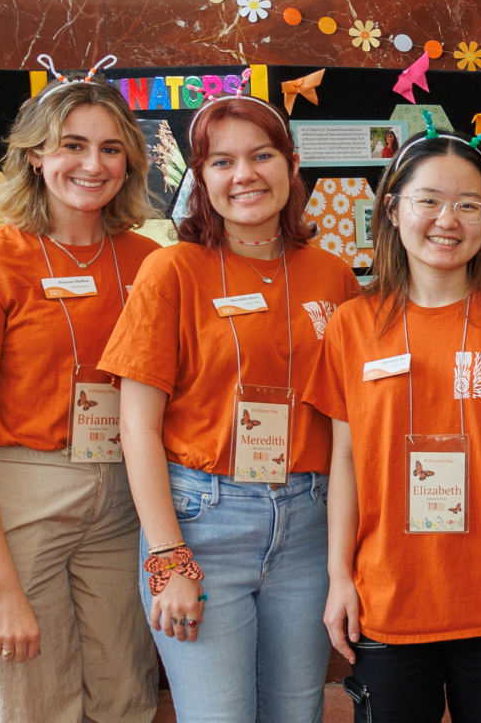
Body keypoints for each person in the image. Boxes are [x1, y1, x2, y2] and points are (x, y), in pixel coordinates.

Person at [99, 95, 360, 721]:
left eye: (261, 155)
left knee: (297, 712)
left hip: (308, 524)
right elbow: (137, 427)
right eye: (222, 161)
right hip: (203, 524)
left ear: (292, 165)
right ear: (202, 178)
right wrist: (167, 555)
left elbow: (351, 421)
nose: (244, 174)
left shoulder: (333, 275)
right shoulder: (174, 272)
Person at [310, 129, 481, 722]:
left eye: (469, 205)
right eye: (428, 200)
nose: (447, 220)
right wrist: (339, 578)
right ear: (393, 208)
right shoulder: (352, 326)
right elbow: (346, 461)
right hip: (387, 593)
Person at [0, 78, 161, 723]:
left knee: (125, 697)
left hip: (121, 499)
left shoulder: (151, 262)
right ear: (34, 154)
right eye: (72, 145)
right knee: (24, 704)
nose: (93, 164)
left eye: (111, 149)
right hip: (17, 501)